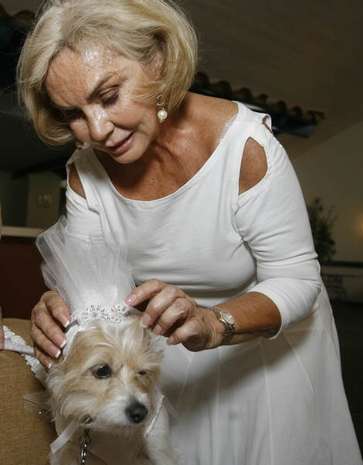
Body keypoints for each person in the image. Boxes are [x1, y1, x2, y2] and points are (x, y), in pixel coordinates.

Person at [17, 1, 362, 464]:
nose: (96, 130)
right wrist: (60, 308)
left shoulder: (246, 150)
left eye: (109, 95)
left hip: (263, 354)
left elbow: (298, 279)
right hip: (165, 365)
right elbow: (92, 287)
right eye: (73, 112)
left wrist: (213, 322)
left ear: (157, 60)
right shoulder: (86, 174)